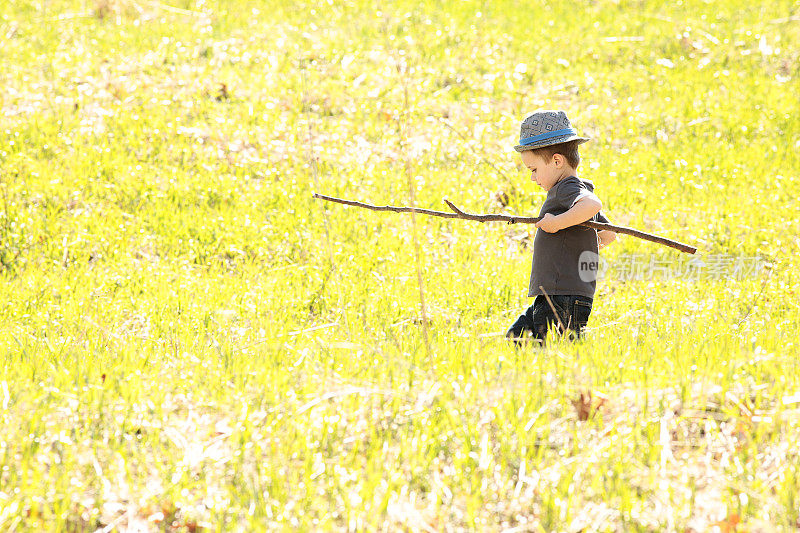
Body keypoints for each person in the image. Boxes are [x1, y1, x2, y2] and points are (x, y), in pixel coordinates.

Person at [505, 110, 617, 346]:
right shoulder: (575, 192)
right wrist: (590, 241)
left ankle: (560, 380)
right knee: (519, 337)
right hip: (560, 293)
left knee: (553, 348)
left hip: (562, 295)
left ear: (557, 161)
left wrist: (556, 223)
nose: (533, 178)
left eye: (534, 170)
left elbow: (593, 205)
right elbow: (609, 233)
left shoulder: (568, 189)